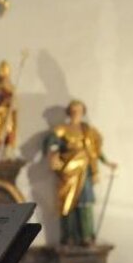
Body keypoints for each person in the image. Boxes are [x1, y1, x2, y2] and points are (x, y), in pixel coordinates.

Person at [43, 100, 117, 246]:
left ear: (83, 112)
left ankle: (86, 236)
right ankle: (68, 236)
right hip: (68, 172)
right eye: (73, 110)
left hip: (85, 171)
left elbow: (96, 151)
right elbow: (51, 142)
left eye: (79, 110)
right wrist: (53, 154)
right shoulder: (62, 129)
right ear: (69, 112)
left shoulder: (88, 130)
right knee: (67, 204)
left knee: (85, 203)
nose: (76, 112)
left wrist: (107, 163)